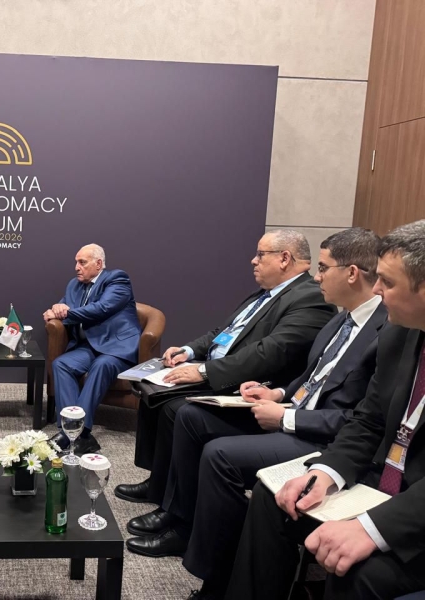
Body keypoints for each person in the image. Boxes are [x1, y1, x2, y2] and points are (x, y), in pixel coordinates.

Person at [128, 229, 387, 600]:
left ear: (351, 273)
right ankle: (180, 517)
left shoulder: (379, 330)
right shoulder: (340, 320)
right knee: (188, 416)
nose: (317, 276)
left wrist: (284, 416)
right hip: (288, 408)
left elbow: (359, 418)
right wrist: (278, 394)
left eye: (323, 268)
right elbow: (311, 376)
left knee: (217, 452)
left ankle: (213, 576)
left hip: (320, 437)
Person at [226, 220, 425, 600]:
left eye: (388, 282)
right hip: (380, 478)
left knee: (358, 570)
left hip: (414, 504)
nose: (377, 290)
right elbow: (368, 420)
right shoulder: (398, 333)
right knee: (275, 498)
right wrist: (326, 472)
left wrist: (372, 528)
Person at [115, 230, 336, 510]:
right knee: (151, 390)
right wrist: (189, 351)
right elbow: (224, 332)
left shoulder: (309, 298)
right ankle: (159, 480)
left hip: (247, 384)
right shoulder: (265, 294)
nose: (253, 261)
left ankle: (173, 503)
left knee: (173, 408)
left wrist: (205, 371)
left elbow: (269, 353)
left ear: (284, 258)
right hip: (219, 369)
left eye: (260, 254)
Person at [42, 244, 141, 455]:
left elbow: (101, 309)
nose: (76, 267)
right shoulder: (74, 285)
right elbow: (62, 306)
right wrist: (55, 309)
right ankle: (73, 432)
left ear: (98, 264)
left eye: (82, 262)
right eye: (76, 262)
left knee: (101, 365)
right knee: (62, 364)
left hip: (115, 348)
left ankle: (77, 431)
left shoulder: (117, 279)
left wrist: (67, 313)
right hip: (89, 346)